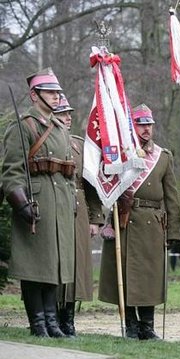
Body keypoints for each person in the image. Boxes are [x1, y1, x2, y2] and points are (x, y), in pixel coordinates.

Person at [1, 68, 75, 337]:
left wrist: (72, 201)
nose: (56, 97)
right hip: (36, 202)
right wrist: (21, 204)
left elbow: (68, 170)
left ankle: (53, 324)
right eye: (50, 93)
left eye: (57, 93)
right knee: (36, 266)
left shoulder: (59, 128)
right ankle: (38, 324)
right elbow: (11, 171)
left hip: (61, 205)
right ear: (35, 95)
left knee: (55, 263)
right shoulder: (23, 126)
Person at [98, 103, 180, 340]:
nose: (146, 129)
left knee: (149, 277)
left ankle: (147, 325)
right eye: (141, 125)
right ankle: (131, 325)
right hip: (124, 220)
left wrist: (173, 231)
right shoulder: (120, 154)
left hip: (152, 224)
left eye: (149, 125)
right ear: (131, 127)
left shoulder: (163, 157)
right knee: (124, 274)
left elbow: (172, 196)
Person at [53, 94, 103, 336]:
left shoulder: (79, 144)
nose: (68, 117)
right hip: (55, 205)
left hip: (79, 208)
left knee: (76, 264)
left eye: (69, 113)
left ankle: (69, 320)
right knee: (54, 261)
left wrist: (95, 218)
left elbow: (90, 183)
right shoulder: (47, 140)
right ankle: (51, 317)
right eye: (63, 113)